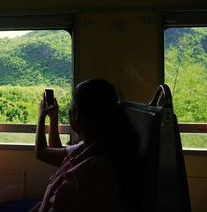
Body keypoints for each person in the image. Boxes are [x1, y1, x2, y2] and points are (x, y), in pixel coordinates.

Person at [32, 79, 141, 212]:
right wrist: (53, 119)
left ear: (76, 113)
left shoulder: (84, 175)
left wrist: (41, 115)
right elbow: (55, 152)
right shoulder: (97, 146)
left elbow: (41, 152)